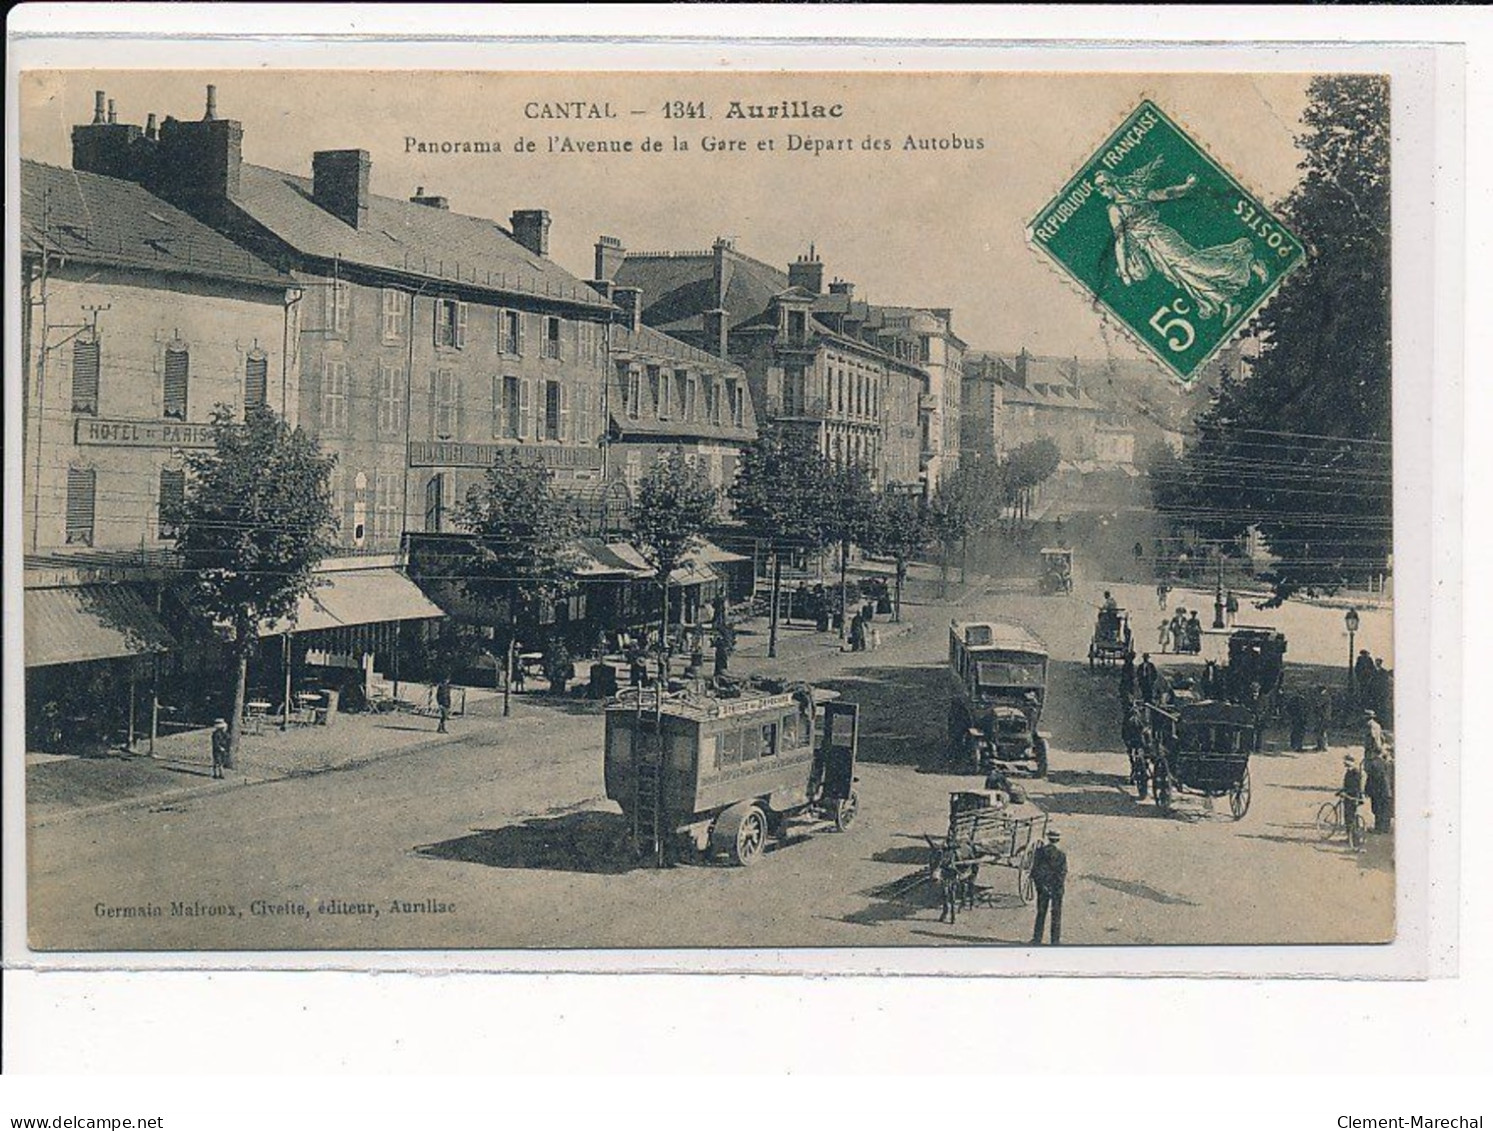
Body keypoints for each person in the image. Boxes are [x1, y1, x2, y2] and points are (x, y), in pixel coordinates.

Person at [1030, 828, 1067, 945]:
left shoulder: (1040, 852)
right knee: (1056, 914)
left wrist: (1042, 886)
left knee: (1041, 913)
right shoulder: (1061, 854)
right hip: (1056, 889)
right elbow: (1062, 873)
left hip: (1043, 888)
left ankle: (1037, 939)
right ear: (1058, 840)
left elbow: (1035, 871)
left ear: (1048, 838)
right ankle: (1055, 941)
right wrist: (1054, 887)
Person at [1364, 742, 1394, 835]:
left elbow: (1372, 778)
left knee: (1377, 809)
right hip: (1388, 790)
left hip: (1378, 791)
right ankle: (1386, 828)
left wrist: (1367, 790)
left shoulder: (1374, 763)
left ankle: (1378, 828)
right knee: (1385, 809)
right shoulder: (1388, 763)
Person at [1340, 753, 1366, 850]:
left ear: (1352, 762)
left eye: (1347, 761)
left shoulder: (1356, 773)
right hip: (1348, 797)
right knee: (1347, 817)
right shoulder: (1349, 772)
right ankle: (1349, 837)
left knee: (1353, 819)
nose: (1345, 763)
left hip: (1353, 797)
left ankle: (1356, 839)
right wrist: (1341, 791)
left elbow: (1356, 788)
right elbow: (1346, 785)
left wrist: (1346, 793)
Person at [1314, 685, 1333, 751]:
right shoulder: (1326, 696)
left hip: (1323, 717)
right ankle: (1320, 746)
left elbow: (1318, 704)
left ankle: (1323, 746)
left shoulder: (1324, 697)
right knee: (1321, 731)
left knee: (1322, 731)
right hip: (1324, 716)